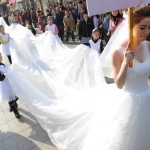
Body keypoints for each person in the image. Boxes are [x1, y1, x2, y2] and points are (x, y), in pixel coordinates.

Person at [2, 4, 150, 150]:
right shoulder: (118, 53)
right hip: (129, 103)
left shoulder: (148, 46)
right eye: (142, 27)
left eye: (149, 28)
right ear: (131, 25)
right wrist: (125, 62)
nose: (146, 32)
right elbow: (119, 84)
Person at [0, 53, 20, 119]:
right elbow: (1, 78)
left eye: (0, 56)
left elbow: (11, 71)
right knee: (9, 98)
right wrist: (4, 74)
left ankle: (13, 105)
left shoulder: (5, 65)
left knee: (16, 95)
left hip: (9, 82)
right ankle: (15, 112)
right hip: (4, 85)